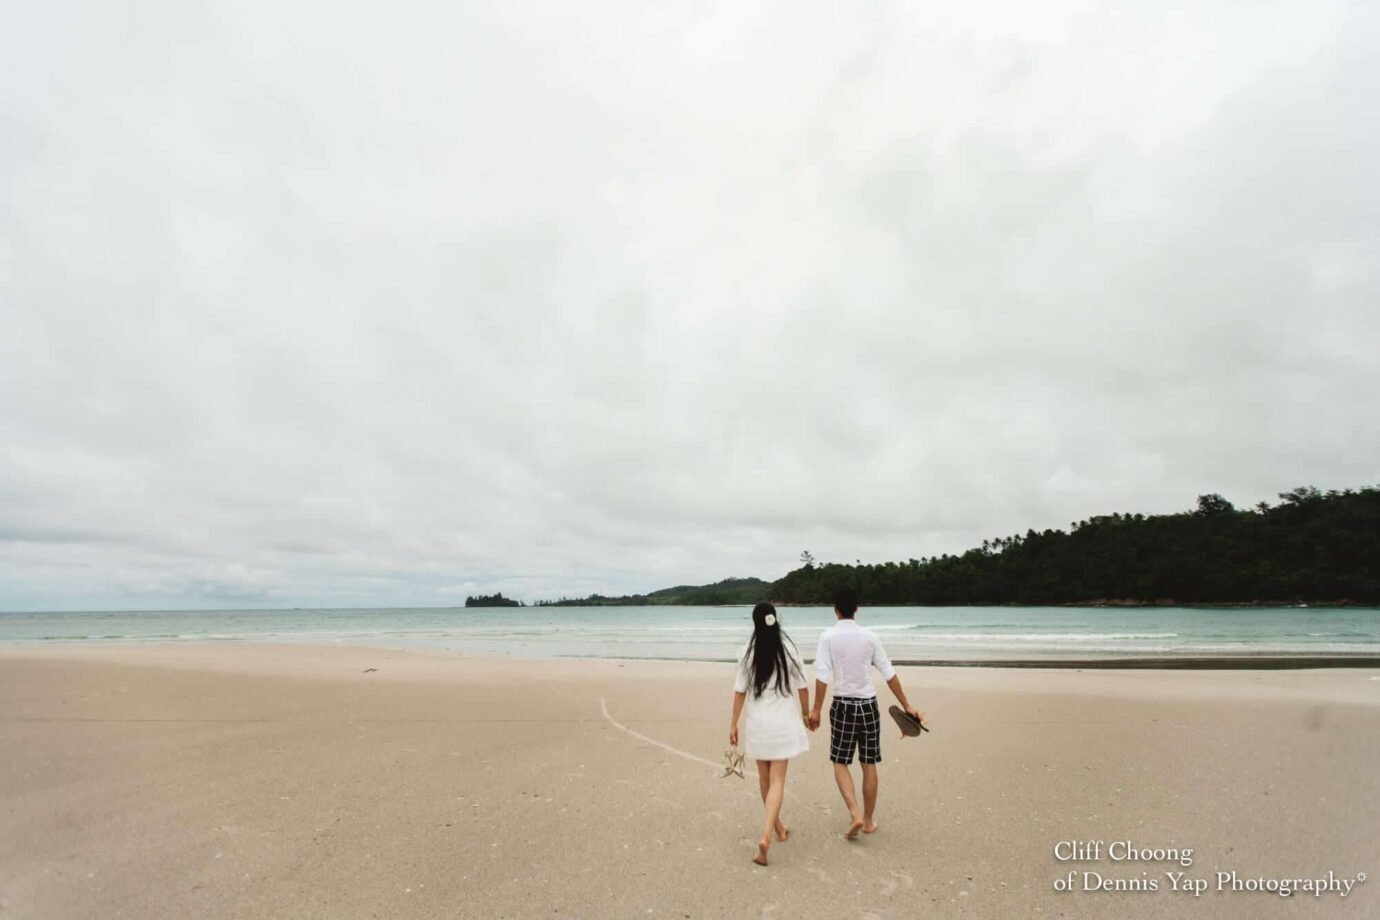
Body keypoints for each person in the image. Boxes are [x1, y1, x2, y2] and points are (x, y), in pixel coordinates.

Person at [809, 586, 924, 838]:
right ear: (857, 609)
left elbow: (821, 675)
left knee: (840, 762)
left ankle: (854, 814)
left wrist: (815, 709)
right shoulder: (870, 637)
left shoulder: (827, 637)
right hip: (868, 706)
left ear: (835, 610)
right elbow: (888, 673)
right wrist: (907, 705)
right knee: (869, 763)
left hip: (842, 707)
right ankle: (869, 821)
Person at [728, 602, 811, 866]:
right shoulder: (788, 648)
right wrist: (807, 715)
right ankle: (766, 835)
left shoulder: (746, 652)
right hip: (782, 721)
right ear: (775, 619)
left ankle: (778, 828)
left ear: (755, 623)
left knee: (764, 778)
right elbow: (803, 686)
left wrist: (733, 724)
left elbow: (740, 690)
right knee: (777, 780)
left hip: (758, 722)